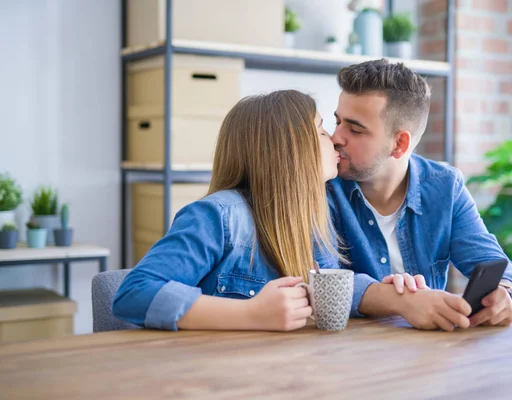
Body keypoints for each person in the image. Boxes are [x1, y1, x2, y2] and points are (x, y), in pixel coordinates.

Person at [112, 89, 421, 332]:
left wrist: (401, 299)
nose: (334, 140)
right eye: (320, 129)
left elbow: (330, 288)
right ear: (288, 149)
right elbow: (134, 295)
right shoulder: (216, 218)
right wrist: (251, 313)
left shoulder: (314, 222)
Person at [327, 59, 512, 332]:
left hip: (430, 354)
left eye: (355, 129)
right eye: (337, 121)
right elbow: (316, 280)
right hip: (342, 356)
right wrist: (401, 301)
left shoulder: (446, 186)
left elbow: (493, 264)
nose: (335, 137)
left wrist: (507, 293)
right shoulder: (323, 185)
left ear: (400, 144)